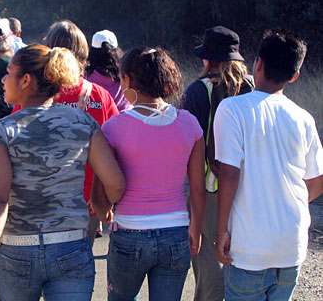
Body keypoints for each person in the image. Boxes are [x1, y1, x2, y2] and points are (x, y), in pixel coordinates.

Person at [0, 44, 125, 301]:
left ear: (25, 80)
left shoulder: (0, 131)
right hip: (71, 247)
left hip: (18, 252)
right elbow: (116, 183)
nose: (3, 79)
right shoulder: (83, 122)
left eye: (8, 73)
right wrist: (101, 203)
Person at [214, 32, 323, 301]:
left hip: (249, 247)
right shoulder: (304, 118)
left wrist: (222, 229)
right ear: (295, 76)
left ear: (258, 64)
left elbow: (229, 173)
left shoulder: (232, 109)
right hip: (291, 245)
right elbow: (317, 181)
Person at [92, 46, 206, 301]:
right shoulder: (190, 123)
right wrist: (196, 229)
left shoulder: (113, 128)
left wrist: (104, 213)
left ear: (128, 79)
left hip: (129, 233)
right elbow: (198, 190)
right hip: (176, 232)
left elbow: (101, 194)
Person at [183, 26, 253, 301]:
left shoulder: (197, 91)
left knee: (210, 264)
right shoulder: (253, 88)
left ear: (207, 59)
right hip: (248, 189)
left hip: (209, 189)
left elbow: (189, 147)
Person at [42, 20, 120, 244]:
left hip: (43, 200)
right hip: (88, 201)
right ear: (84, 53)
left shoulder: (34, 94)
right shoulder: (100, 95)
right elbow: (116, 145)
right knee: (81, 258)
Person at [85, 29, 131, 112]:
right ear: (117, 52)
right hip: (122, 119)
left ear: (91, 53)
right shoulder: (126, 77)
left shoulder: (85, 77)